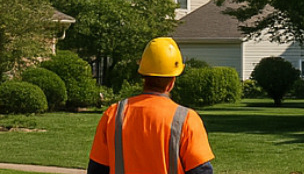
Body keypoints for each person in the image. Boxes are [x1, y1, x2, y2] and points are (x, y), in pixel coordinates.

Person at [88, 37, 214, 174]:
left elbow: (97, 169)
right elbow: (201, 171)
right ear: (172, 81)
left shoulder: (113, 114)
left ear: (143, 75)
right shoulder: (186, 119)